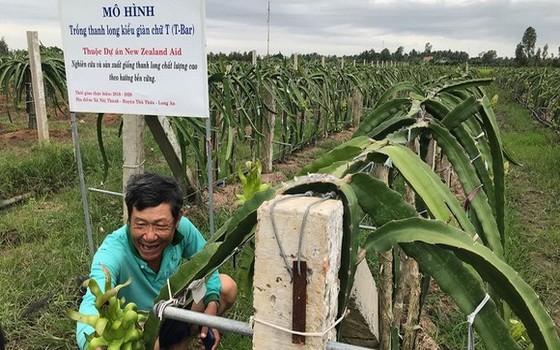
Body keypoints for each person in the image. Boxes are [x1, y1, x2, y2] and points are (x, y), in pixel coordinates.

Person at [76, 172, 237, 350]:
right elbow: (93, 301)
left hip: (169, 311)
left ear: (177, 219)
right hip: (136, 327)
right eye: (140, 224)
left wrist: (211, 306)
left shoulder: (184, 230)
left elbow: (208, 264)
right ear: (129, 219)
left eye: (160, 225)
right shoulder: (112, 252)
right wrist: (92, 344)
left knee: (226, 287)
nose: (150, 236)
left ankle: (180, 344)